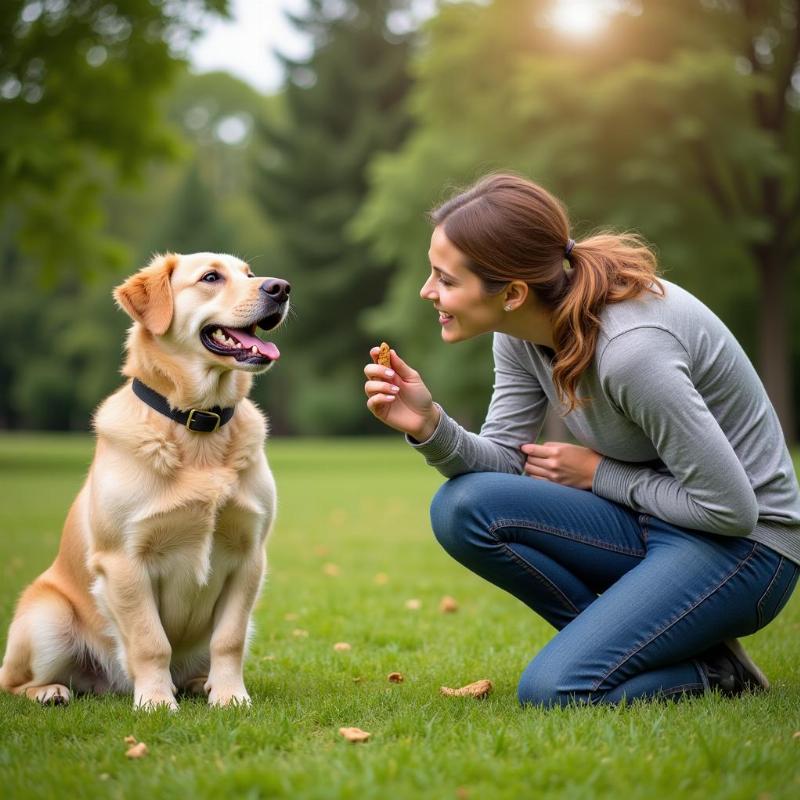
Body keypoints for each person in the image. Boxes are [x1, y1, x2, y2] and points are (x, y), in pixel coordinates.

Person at [363, 172, 800, 707]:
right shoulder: (520, 332)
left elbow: (731, 510)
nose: (428, 292)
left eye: (446, 280)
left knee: (556, 690)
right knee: (464, 506)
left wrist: (601, 475)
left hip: (746, 551)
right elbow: (502, 460)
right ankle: (681, 652)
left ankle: (716, 675)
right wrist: (432, 427)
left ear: (513, 292)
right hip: (655, 522)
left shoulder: (633, 353)